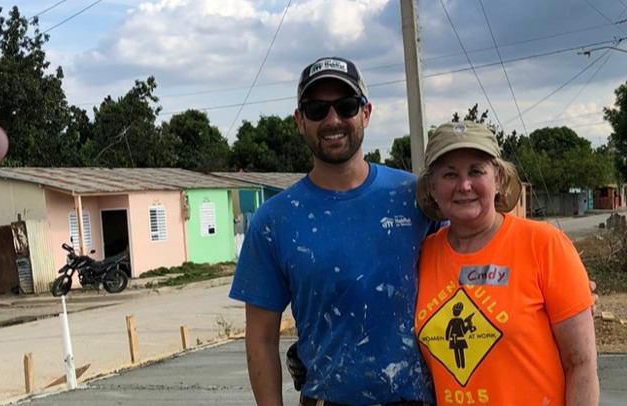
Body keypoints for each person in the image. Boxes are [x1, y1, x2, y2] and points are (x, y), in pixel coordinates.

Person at [229, 56, 438, 405]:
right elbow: (261, 339)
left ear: (366, 113)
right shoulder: (274, 221)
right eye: (316, 110)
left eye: (346, 106)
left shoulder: (416, 199)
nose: (333, 120)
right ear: (300, 121)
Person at [413, 121, 599, 405]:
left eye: (476, 171)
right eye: (450, 174)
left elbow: (581, 364)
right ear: (432, 187)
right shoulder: (424, 255)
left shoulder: (544, 245)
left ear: (498, 178)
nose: (464, 186)